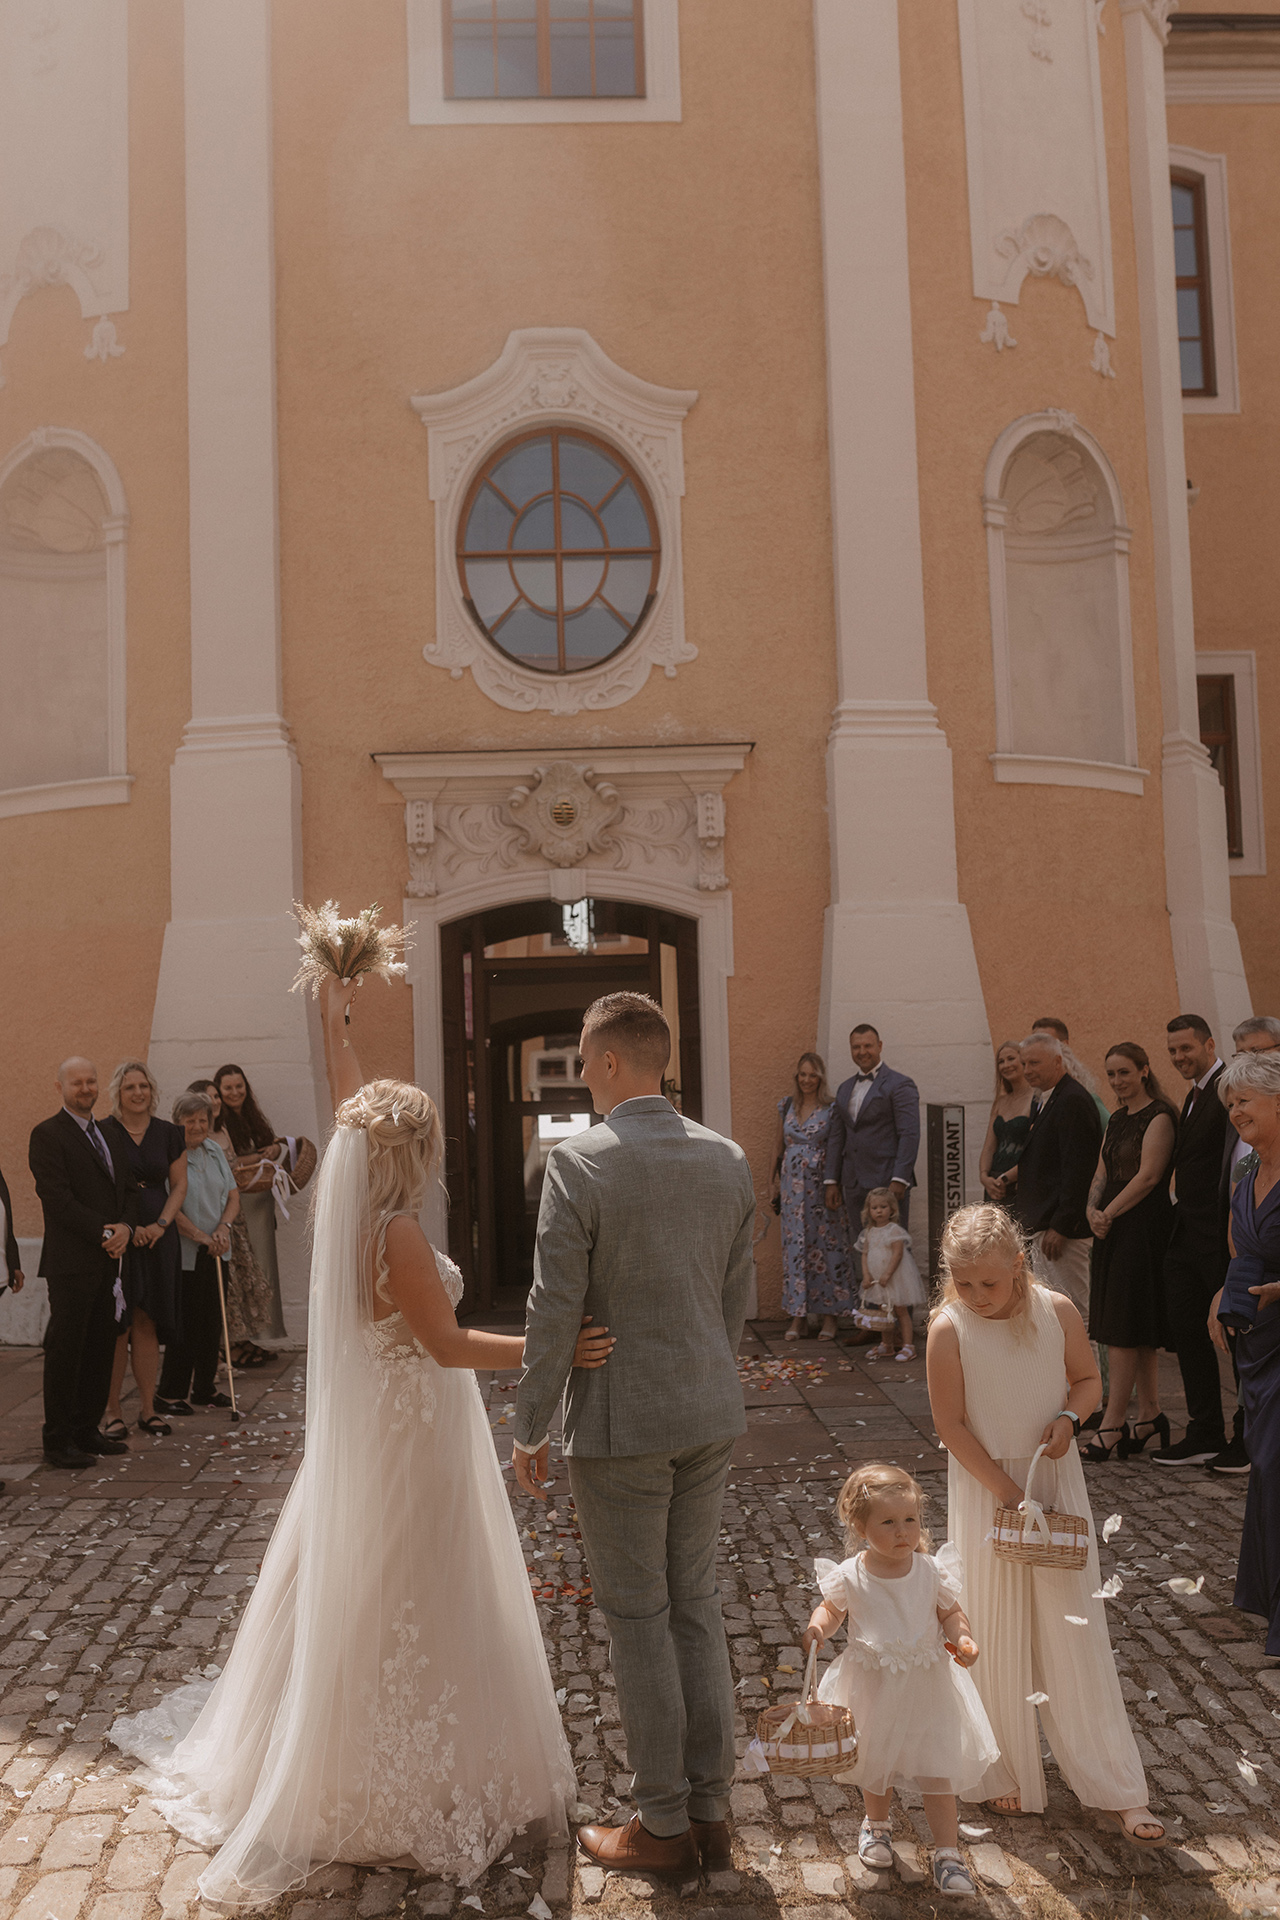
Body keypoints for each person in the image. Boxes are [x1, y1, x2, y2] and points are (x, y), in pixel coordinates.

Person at [111, 970, 612, 1904]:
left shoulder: (354, 1223)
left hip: (380, 1424)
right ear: (413, 1150)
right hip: (415, 1430)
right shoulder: (401, 1236)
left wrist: (335, 1022)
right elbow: (448, 1345)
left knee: (367, 1573)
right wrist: (553, 1349)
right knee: (414, 1577)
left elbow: (352, 1107)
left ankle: (331, 1747)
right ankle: (387, 1781)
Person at [514, 990, 755, 1877]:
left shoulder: (580, 1163)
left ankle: (660, 1824)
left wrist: (530, 1424)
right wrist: (704, 1371)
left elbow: (553, 1306)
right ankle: (711, 1814)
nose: (581, 1073)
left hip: (622, 1423)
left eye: (584, 1058)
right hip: (707, 1410)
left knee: (639, 1618)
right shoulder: (727, 1158)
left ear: (612, 1061)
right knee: (694, 1605)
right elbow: (735, 1298)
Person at [926, 1204, 1163, 1843]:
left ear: (1017, 1264)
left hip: (1052, 1481)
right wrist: (1005, 1492)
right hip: (988, 1490)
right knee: (992, 1624)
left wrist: (1069, 1419)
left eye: (989, 1282)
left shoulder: (1056, 1311)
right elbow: (949, 1423)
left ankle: (1115, 1786)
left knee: (1073, 1627)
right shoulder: (948, 1328)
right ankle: (1000, 1767)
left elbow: (1087, 1380)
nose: (977, 1295)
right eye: (963, 1282)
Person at [800, 1465, 997, 1898]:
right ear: (860, 1527)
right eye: (888, 1522)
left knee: (937, 1769)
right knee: (877, 1760)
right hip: (874, 1685)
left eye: (910, 1519)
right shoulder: (851, 1575)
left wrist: (962, 1637)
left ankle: (948, 1852)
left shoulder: (930, 1571)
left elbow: (950, 1612)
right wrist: (817, 1628)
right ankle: (876, 1826)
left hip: (928, 1687)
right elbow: (831, 1610)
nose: (903, 1531)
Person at [28, 1058, 135, 1470]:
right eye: (77, 1082)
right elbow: (57, 1199)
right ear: (60, 1087)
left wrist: (127, 1226)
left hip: (111, 1263)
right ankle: (58, 1440)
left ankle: (87, 1429)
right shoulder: (47, 1135)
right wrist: (106, 1233)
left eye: (91, 1081)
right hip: (71, 1264)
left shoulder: (111, 1132)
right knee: (66, 1351)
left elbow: (128, 1188)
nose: (86, 1088)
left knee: (99, 1348)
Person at [1211, 1051, 1280, 1654]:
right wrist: (1222, 1294)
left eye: (1245, 1100)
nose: (1235, 1111)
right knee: (1266, 1465)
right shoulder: (1246, 1173)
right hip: (1259, 1339)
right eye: (1230, 1102)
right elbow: (1240, 1248)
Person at [1082, 1045, 1176, 1462]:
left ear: (1144, 1071)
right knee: (1133, 1325)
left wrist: (1108, 1213)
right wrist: (1091, 1210)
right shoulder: (1118, 1118)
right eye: (1111, 1074)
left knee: (1122, 1327)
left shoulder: (1160, 1115)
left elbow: (1149, 1176)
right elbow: (1103, 1170)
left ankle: (1113, 1423)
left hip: (1142, 1228)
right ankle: (1150, 1413)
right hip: (1112, 1227)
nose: (1117, 1081)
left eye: (1124, 1072)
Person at [1153, 1015, 1232, 1467]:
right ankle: (1205, 1431)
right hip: (1186, 1234)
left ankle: (1247, 1436)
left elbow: (1240, 1160)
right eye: (1173, 1051)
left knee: (1234, 1337)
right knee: (1187, 1330)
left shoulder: (1226, 1089)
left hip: (1219, 1236)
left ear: (1209, 1044)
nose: (1179, 1057)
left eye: (1186, 1048)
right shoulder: (1192, 1096)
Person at [101, 1062, 187, 1439]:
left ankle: (149, 1409)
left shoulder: (169, 1133)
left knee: (147, 1319)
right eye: (129, 1087)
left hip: (158, 1236)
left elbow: (179, 1185)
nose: (137, 1093)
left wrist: (161, 1225)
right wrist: (128, 1227)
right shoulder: (104, 1132)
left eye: (143, 1086)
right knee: (118, 1324)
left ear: (152, 1091)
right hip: (120, 1234)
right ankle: (112, 1412)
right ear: (118, 1093)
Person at [156, 1092, 240, 1416]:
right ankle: (170, 1392)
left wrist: (223, 1229)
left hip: (217, 1248)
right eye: (189, 1120)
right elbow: (169, 1205)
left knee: (212, 1323)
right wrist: (199, 1236)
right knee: (186, 1324)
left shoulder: (214, 1150)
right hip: (185, 1252)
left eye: (202, 1120)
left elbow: (233, 1195)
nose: (197, 1126)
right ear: (177, 1122)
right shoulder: (171, 1154)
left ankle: (204, 1387)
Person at [1009, 1032, 1102, 1319]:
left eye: (1035, 1063)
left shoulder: (1072, 1099)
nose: (1027, 1070)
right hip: (1045, 1224)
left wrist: (1061, 1226)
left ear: (1058, 1061)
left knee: (1074, 1312)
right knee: (1052, 1311)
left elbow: (1078, 1169)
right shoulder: (1049, 1098)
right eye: (1024, 1063)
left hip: (1063, 1232)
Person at [189, 1080, 274, 1368]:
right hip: (209, 1216)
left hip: (232, 1218)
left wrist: (262, 1157)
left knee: (235, 1285)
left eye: (216, 1096)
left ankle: (233, 1342)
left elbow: (234, 1165)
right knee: (214, 1288)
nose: (214, 1102)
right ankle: (217, 1351)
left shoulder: (223, 1130)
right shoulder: (194, 1138)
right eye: (208, 1097)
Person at [770, 1052, 852, 1341]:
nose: (807, 1080)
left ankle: (830, 1317)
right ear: (797, 1076)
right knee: (795, 1250)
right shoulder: (786, 1106)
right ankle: (799, 1317)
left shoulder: (831, 1108)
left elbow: (838, 1147)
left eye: (812, 1075)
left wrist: (834, 1184)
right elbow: (777, 1146)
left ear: (820, 1077)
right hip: (791, 1192)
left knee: (827, 1248)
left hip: (821, 1188)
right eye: (802, 1074)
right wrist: (771, 1183)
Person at [823, 1025, 920, 1240]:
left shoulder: (900, 1084)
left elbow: (909, 1134)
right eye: (856, 1047)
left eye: (868, 1046)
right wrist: (831, 1180)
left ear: (880, 1046)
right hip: (853, 1183)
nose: (862, 1052)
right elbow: (837, 1136)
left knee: (893, 1247)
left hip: (887, 1181)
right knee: (862, 1247)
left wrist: (900, 1179)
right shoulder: (844, 1088)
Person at [214, 1063, 287, 1341]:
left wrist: (275, 1149)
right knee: (245, 1271)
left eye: (239, 1086)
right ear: (219, 1091)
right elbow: (226, 1162)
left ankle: (262, 1336)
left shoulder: (253, 1116)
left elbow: (270, 1144)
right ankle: (240, 1340)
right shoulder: (219, 1123)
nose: (235, 1092)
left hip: (262, 1203)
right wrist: (257, 1158)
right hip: (239, 1205)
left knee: (265, 1270)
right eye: (228, 1088)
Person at [856, 1187, 926, 1361]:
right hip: (877, 1278)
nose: (879, 1211)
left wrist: (888, 1274)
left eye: (883, 1207)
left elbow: (897, 1254)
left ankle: (908, 1345)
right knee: (884, 1311)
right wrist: (866, 1275)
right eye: (874, 1208)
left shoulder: (893, 1230)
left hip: (894, 1277)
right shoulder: (869, 1232)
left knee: (900, 1310)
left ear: (892, 1209)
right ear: (869, 1211)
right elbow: (865, 1254)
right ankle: (886, 1344)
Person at [979, 1042, 1035, 1205]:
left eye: (1011, 1059)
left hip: (1020, 1183)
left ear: (1023, 1061)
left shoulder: (1037, 1099)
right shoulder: (1000, 1102)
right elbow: (989, 1147)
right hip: (994, 1184)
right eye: (1001, 1062)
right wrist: (984, 1177)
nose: (1006, 1065)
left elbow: (1035, 1151)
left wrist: (1005, 1179)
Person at [1031, 1018, 1110, 1130]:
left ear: (1065, 1045)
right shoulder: (1037, 1099)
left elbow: (1109, 1130)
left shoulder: (1082, 1097)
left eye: (1046, 1042)